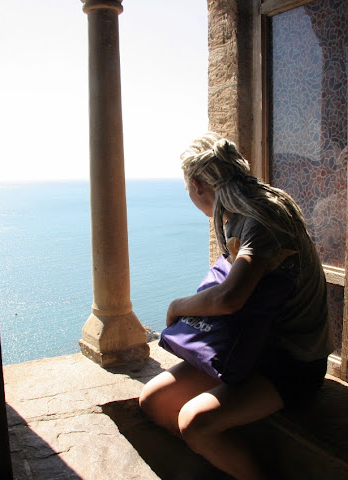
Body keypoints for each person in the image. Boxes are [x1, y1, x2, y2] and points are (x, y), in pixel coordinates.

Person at [139, 133, 333, 479]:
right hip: (253, 346)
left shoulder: (263, 219)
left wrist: (177, 306)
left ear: (197, 185)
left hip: (293, 360)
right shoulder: (242, 215)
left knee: (195, 423)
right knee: (155, 400)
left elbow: (229, 298)